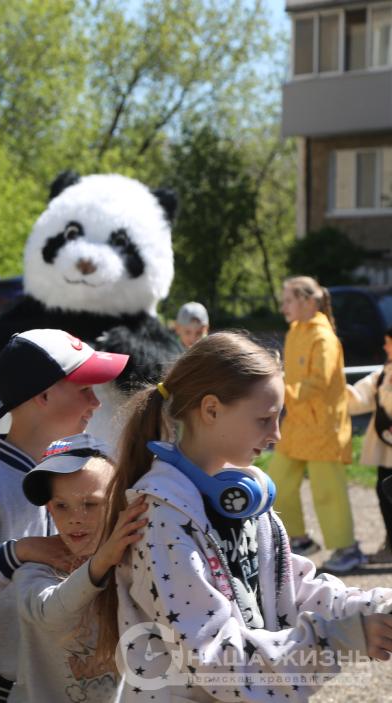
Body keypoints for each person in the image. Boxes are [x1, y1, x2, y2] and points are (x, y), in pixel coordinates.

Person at [96, 332, 392, 701]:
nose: (277, 435)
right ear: (211, 410)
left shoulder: (243, 501)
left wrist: (379, 606)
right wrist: (338, 638)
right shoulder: (160, 519)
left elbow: (295, 593)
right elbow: (217, 661)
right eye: (265, 419)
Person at [0, 329, 129, 702]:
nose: (96, 402)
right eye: (85, 388)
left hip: (48, 681)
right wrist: (17, 553)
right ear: (44, 395)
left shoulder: (77, 470)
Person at [10, 434, 147, 703]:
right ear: (50, 509)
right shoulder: (36, 568)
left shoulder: (133, 564)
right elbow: (49, 613)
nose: (75, 519)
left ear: (119, 504)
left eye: (91, 504)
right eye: (62, 506)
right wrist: (101, 561)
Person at [268, 275, 361, 573]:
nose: (283, 307)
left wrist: (284, 392)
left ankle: (348, 549)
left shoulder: (324, 337)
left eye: (288, 300)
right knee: (277, 483)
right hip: (297, 425)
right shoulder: (295, 330)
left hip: (323, 427)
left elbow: (318, 381)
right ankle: (300, 540)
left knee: (327, 492)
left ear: (308, 301)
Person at [346, 325, 392, 563]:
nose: (385, 347)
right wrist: (334, 389)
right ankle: (391, 544)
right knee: (385, 493)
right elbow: (359, 398)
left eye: (388, 342)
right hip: (388, 449)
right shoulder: (384, 373)